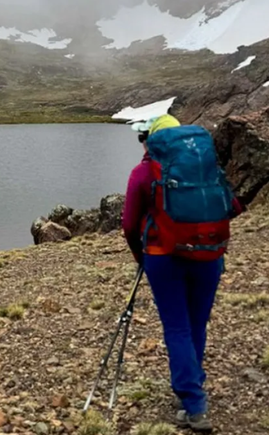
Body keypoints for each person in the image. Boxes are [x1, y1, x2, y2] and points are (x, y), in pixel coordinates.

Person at [121, 114, 243, 433]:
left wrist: (141, 256)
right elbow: (233, 207)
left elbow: (129, 225)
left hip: (164, 259)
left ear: (152, 140)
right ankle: (192, 386)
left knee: (177, 328)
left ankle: (194, 404)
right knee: (196, 324)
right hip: (209, 254)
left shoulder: (143, 172)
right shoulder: (205, 168)